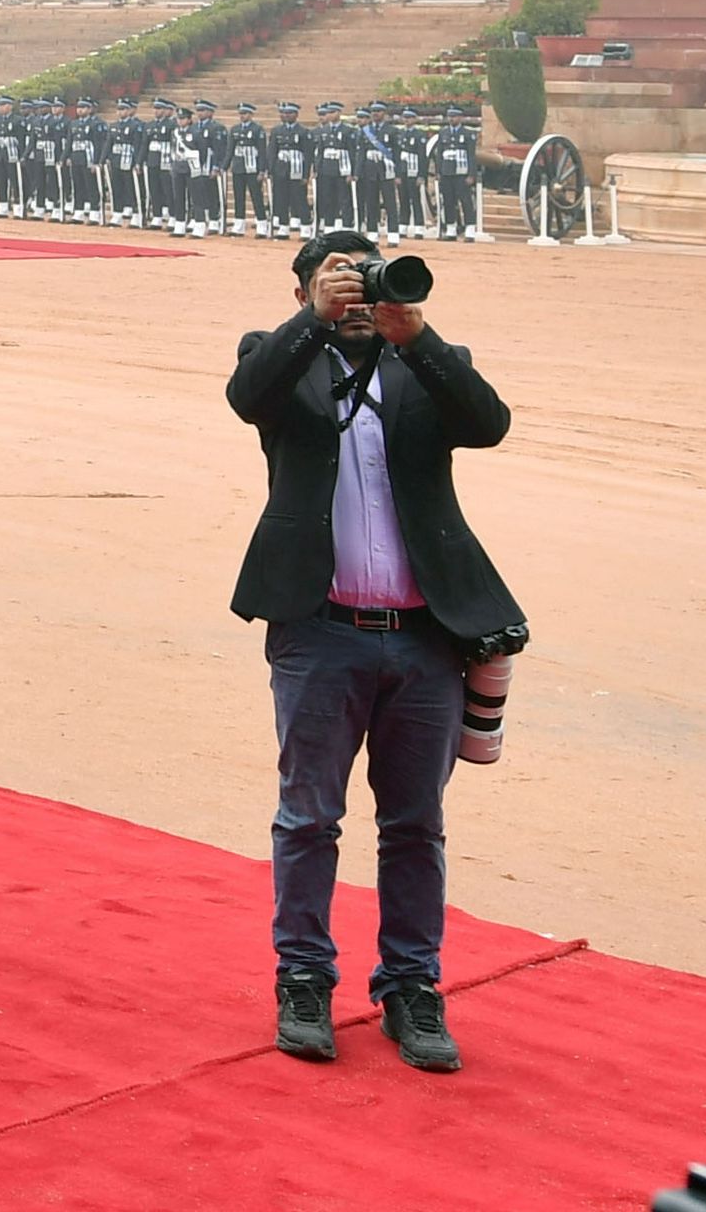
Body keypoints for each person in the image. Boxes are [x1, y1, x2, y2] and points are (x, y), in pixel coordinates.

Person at [228, 227, 524, 1076]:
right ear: (302, 293)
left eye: (369, 278)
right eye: (338, 281)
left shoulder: (428, 361)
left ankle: (411, 987)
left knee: (417, 824)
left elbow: (489, 424)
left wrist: (417, 337)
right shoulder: (280, 357)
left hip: (425, 639)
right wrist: (315, 323)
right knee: (308, 817)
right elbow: (248, 396)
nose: (360, 294)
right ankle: (304, 980)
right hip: (319, 630)